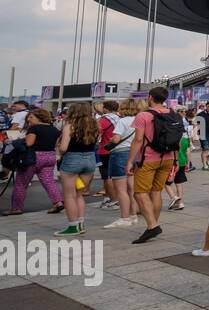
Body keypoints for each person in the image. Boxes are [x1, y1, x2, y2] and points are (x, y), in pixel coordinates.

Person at [125, 86, 182, 244]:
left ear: (150, 97)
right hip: (168, 157)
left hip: (148, 158)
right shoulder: (173, 114)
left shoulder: (143, 115)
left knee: (140, 193)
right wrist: (176, 160)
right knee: (156, 191)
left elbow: (138, 140)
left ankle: (152, 226)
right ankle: (153, 224)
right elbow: (176, 139)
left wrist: (130, 161)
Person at [53, 102, 99, 235]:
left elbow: (63, 148)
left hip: (72, 160)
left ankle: (73, 226)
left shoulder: (70, 126)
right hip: (90, 159)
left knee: (69, 195)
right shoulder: (95, 125)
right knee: (79, 194)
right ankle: (80, 223)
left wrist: (59, 151)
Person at [8, 108, 63, 216]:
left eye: (31, 117)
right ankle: (58, 202)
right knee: (49, 182)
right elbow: (56, 144)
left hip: (33, 157)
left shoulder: (34, 128)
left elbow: (29, 143)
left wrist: (16, 140)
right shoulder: (54, 129)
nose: (29, 119)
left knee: (21, 183)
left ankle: (16, 208)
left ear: (39, 117)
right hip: (49, 157)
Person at [102, 99, 139, 229]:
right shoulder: (139, 120)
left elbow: (116, 139)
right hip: (135, 154)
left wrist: (110, 141)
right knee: (131, 188)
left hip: (120, 153)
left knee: (121, 189)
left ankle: (124, 217)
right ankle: (133, 215)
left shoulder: (122, 121)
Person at [164, 123, 190, 210]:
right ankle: (181, 202)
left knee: (166, 182)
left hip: (174, 163)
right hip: (182, 162)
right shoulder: (186, 139)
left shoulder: (173, 139)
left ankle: (173, 197)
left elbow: (174, 151)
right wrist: (188, 162)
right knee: (179, 182)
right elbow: (188, 152)